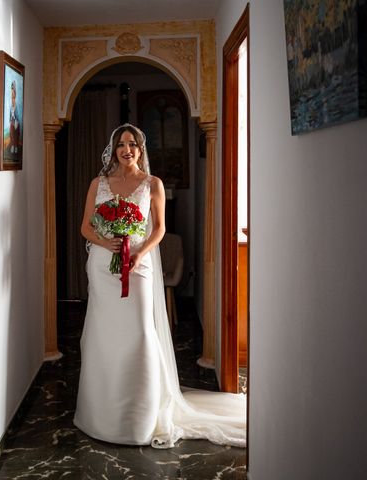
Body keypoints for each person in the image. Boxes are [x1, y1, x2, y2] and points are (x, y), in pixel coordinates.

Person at [74, 124, 247, 448]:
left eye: (133, 144)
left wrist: (138, 253)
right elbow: (85, 226)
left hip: (138, 265)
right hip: (102, 265)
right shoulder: (98, 184)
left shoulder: (152, 184)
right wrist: (106, 241)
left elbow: (160, 229)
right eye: (121, 144)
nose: (127, 150)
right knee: (102, 332)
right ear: (113, 150)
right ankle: (101, 414)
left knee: (139, 331)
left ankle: (139, 417)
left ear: (141, 149)